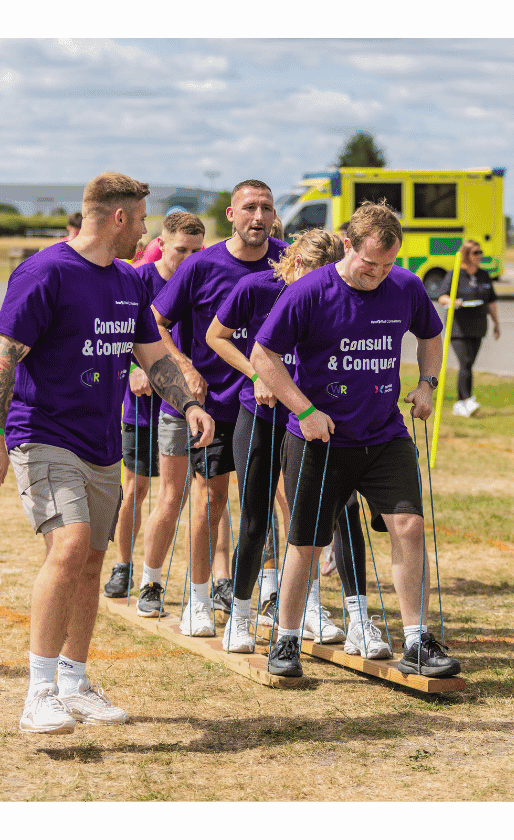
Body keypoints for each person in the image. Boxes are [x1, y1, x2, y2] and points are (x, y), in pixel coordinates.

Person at [0, 172, 214, 735]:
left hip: (101, 441)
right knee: (71, 544)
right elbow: (4, 355)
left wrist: (187, 404)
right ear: (119, 218)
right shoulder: (45, 272)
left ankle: (76, 681)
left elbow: (153, 358)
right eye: (143, 220)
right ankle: (39, 693)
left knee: (90, 562)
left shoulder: (129, 283)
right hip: (43, 431)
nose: (147, 233)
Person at [251, 201, 460, 678]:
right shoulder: (309, 291)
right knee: (305, 540)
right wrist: (303, 410)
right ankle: (285, 641)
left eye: (388, 265)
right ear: (348, 244)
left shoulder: (404, 286)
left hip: (385, 434)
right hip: (321, 439)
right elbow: (264, 354)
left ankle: (417, 641)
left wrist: (427, 383)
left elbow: (431, 333)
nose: (378, 274)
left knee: (408, 526)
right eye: (369, 264)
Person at [207, 228, 363, 654]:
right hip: (260, 417)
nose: (322, 285)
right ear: (294, 263)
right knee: (256, 520)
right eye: (313, 273)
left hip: (310, 422)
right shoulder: (256, 288)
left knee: (311, 521)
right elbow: (215, 336)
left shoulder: (338, 293)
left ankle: (308, 609)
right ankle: (239, 616)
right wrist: (257, 375)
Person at [152, 179, 286, 636]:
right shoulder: (201, 265)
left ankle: (270, 592)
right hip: (215, 407)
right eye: (249, 207)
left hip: (272, 404)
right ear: (231, 215)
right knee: (210, 499)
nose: (258, 216)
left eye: (266, 208)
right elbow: (155, 322)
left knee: (270, 499)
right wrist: (184, 365)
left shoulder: (289, 262)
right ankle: (199, 599)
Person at [101, 211, 207, 617]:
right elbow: (119, 336)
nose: (188, 258)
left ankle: (216, 578)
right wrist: (135, 369)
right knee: (137, 487)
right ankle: (124, 566)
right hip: (142, 409)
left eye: (196, 251)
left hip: (183, 405)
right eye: (181, 250)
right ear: (160, 244)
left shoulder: (198, 281)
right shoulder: (140, 281)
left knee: (197, 493)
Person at [436, 239, 501, 417]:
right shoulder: (455, 274)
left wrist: (496, 322)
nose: (479, 256)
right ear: (466, 254)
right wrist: (452, 302)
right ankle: (467, 400)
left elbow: (491, 301)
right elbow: (441, 296)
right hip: (458, 327)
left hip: (478, 325)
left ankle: (460, 403)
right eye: (475, 253)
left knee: (469, 364)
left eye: (481, 253)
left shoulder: (483, 275)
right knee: (465, 361)